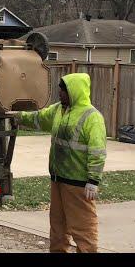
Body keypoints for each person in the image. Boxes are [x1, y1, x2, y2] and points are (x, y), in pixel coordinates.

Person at [15, 73, 107, 253]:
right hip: (58, 179)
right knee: (58, 227)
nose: (60, 93)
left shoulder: (92, 117)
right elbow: (39, 118)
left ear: (74, 92)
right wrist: (17, 116)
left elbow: (97, 151)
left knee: (83, 230)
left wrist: (93, 180)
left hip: (79, 184)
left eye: (63, 91)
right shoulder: (58, 110)